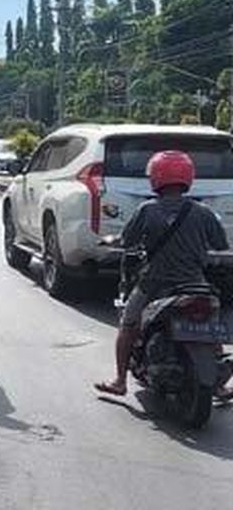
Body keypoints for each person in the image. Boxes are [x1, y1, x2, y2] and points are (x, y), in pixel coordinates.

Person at [96, 150, 230, 396]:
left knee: (128, 324)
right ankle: (219, 385)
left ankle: (119, 381)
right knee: (209, 327)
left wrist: (109, 241)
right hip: (194, 284)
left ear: (155, 177)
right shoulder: (203, 213)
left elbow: (127, 241)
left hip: (154, 284)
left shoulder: (148, 210)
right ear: (188, 178)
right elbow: (221, 244)